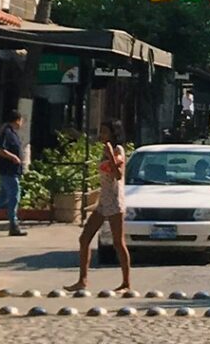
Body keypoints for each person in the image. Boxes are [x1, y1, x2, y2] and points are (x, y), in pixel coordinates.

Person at [65, 120, 130, 292]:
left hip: (115, 201)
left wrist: (110, 155)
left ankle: (126, 282)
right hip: (103, 202)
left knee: (118, 242)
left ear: (113, 134)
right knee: (84, 238)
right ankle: (82, 280)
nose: (101, 135)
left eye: (105, 132)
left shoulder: (118, 150)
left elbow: (118, 175)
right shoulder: (103, 150)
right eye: (101, 132)